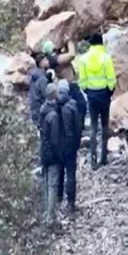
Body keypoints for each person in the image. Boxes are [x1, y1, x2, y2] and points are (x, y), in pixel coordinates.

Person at [77, 33, 116, 169]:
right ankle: (104, 157)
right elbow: (111, 78)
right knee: (104, 126)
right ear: (101, 43)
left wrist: (87, 91)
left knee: (93, 127)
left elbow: (82, 81)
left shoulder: (83, 59)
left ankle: (93, 159)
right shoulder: (106, 58)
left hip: (92, 96)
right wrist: (110, 91)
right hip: (104, 95)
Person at [39, 83, 65, 227]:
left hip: (44, 151)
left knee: (46, 184)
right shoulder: (53, 116)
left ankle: (46, 214)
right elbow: (55, 139)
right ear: (54, 95)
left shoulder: (43, 110)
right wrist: (60, 155)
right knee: (53, 186)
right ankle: (50, 218)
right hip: (52, 155)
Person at [56, 80, 82, 214]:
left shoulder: (54, 106)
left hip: (58, 146)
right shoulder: (72, 106)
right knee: (71, 173)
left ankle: (58, 198)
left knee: (59, 172)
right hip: (70, 146)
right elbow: (78, 128)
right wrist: (77, 143)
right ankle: (71, 203)